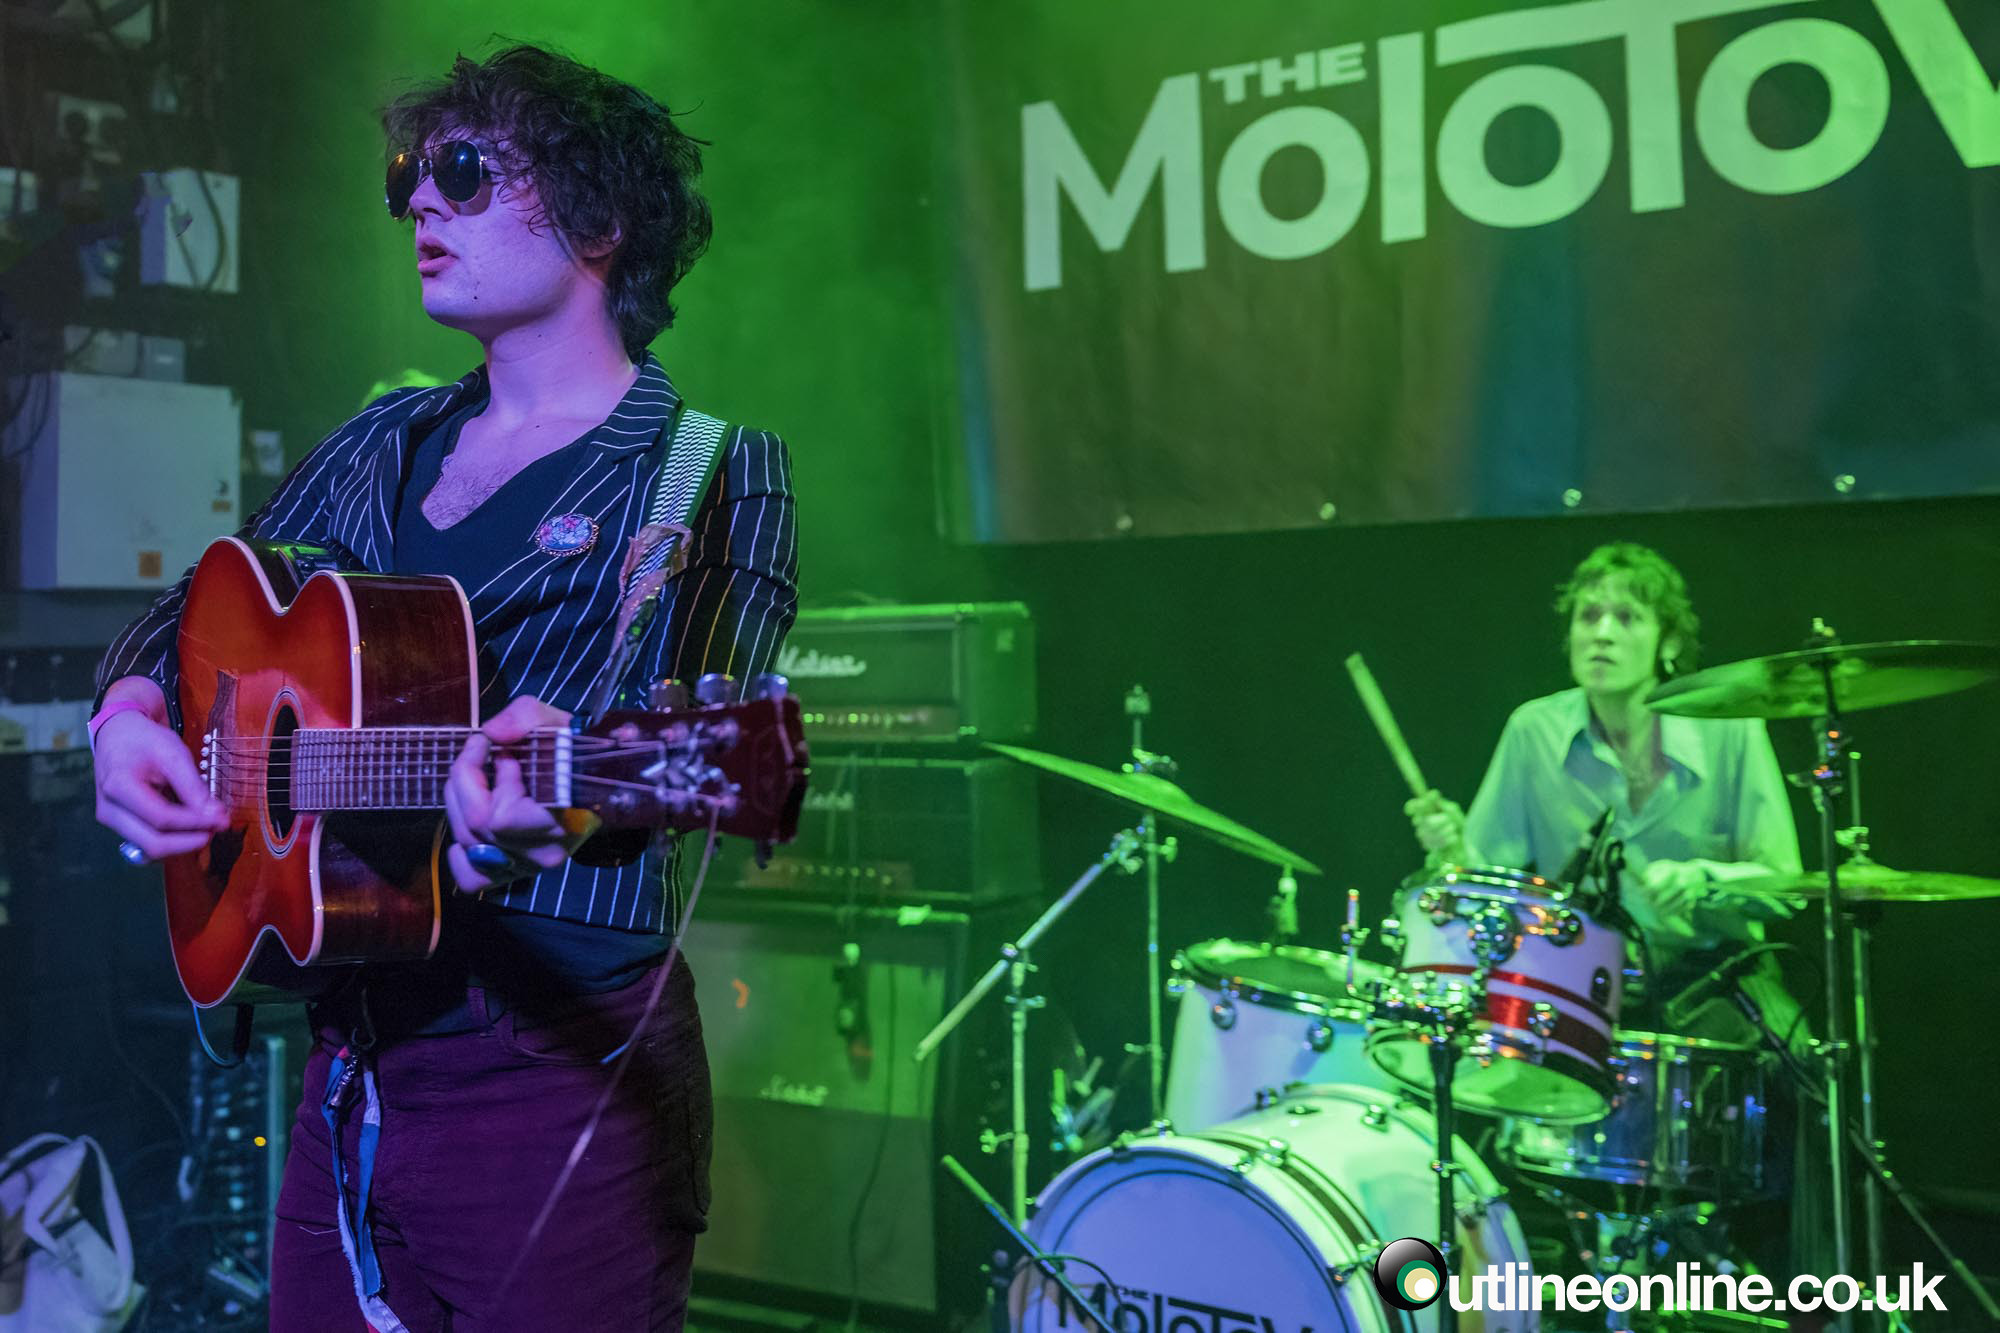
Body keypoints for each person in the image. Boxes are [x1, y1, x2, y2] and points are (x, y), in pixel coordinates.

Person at [88, 45, 797, 1331]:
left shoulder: (709, 472)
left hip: (552, 1074)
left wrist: (566, 792)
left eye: (463, 171)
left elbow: (687, 710)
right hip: (349, 1067)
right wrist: (127, 715)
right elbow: (190, 609)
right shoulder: (384, 437)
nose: (417, 199)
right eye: (409, 176)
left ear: (597, 217)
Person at [1403, 541, 1823, 1272]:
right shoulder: (1534, 730)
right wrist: (1451, 847)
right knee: (1457, 1066)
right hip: (1579, 989)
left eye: (1626, 617)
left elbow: (1784, 883)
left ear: (1668, 642)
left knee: (1805, 1066)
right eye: (1587, 615)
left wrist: (1707, 878)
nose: (1601, 632)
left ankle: (1810, 1291)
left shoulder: (1730, 728)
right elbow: (1481, 882)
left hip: (1711, 977)